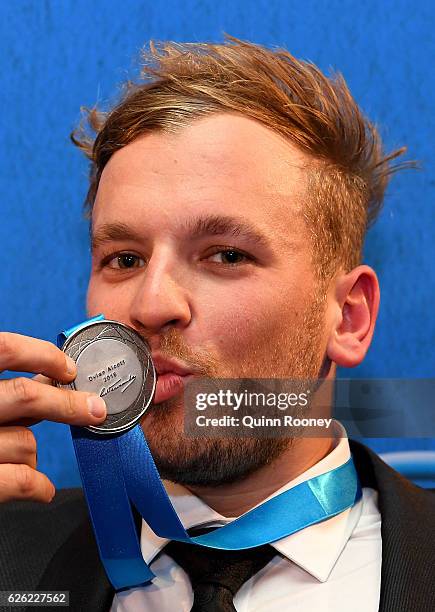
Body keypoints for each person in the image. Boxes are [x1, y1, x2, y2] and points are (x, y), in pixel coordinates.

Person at [0, 35, 433, 612]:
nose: (151, 305)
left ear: (349, 317)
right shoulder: (13, 559)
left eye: (226, 255)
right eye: (124, 259)